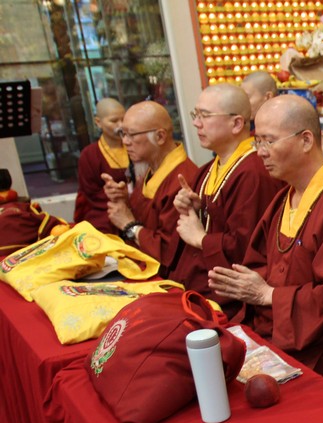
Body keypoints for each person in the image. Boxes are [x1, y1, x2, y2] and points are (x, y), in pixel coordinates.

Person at [208, 95, 323, 379]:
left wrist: (269, 295)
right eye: (257, 142)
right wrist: (246, 286)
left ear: (306, 140)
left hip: (319, 350)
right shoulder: (284, 198)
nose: (261, 152)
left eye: (268, 141)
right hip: (273, 330)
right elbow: (259, 264)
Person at [169, 84, 284, 300]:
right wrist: (195, 209)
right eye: (195, 115)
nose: (196, 123)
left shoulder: (254, 171)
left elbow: (249, 248)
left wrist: (202, 239)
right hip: (200, 283)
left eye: (205, 115)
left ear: (237, 123)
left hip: (229, 296)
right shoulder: (208, 169)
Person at [104, 101, 198, 275]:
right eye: (123, 134)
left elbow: (168, 250)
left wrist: (129, 225)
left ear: (160, 136)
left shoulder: (183, 179)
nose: (125, 142)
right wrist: (124, 201)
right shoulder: (152, 169)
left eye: (131, 135)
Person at [74, 98, 128, 234]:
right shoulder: (89, 154)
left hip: (135, 204)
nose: (121, 125)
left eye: (124, 119)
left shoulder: (135, 145)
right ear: (98, 122)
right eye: (114, 121)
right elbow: (90, 192)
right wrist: (116, 195)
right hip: (103, 209)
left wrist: (129, 195)